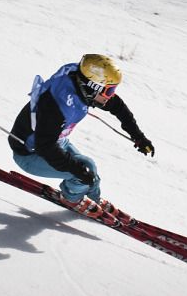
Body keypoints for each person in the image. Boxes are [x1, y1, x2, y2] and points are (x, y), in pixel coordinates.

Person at [8, 54, 154, 220]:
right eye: (109, 90)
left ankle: (93, 197)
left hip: (56, 142)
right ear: (93, 86)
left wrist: (139, 137)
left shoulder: (82, 84)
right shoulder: (57, 104)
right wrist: (76, 170)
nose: (110, 96)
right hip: (30, 153)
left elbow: (118, 107)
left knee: (89, 169)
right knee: (82, 172)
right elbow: (45, 147)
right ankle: (72, 199)